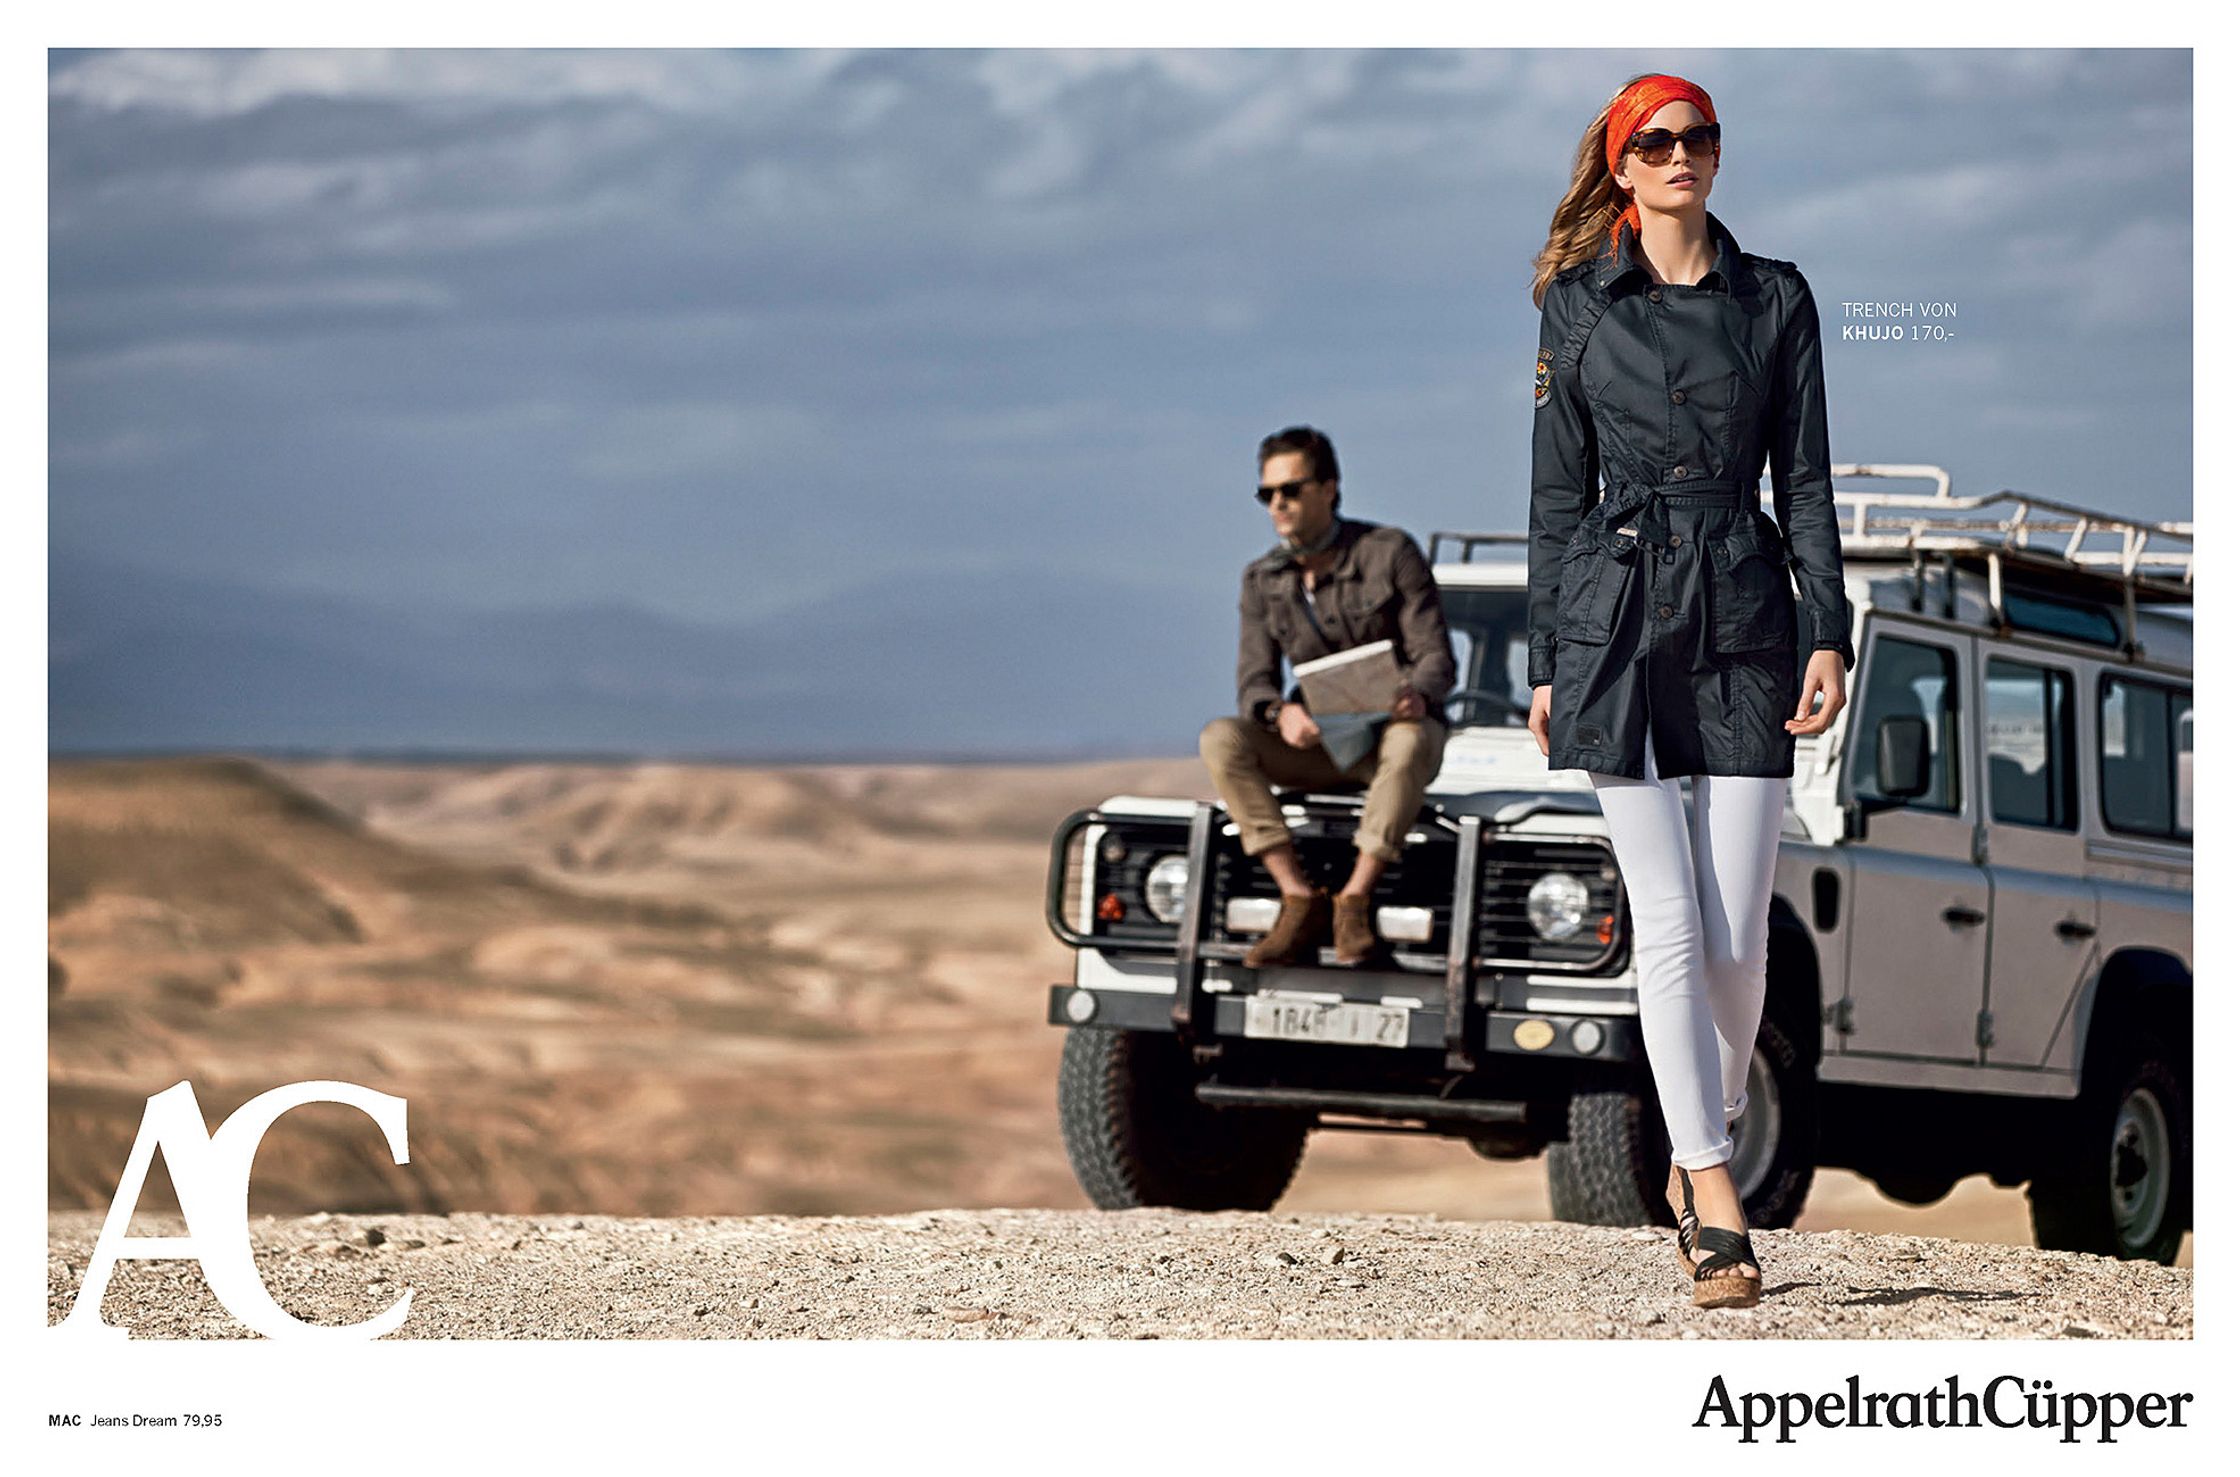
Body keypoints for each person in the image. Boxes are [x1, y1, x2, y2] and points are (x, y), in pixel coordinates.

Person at [1524, 74, 1851, 1310]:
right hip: (1613, 619)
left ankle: (1688, 1135)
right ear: (1620, 165)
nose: (1679, 156)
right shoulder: (1570, 307)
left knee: (1734, 936)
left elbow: (1805, 479)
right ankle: (1713, 1193)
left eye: (1697, 136)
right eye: (1654, 142)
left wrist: (1825, 629)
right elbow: (1556, 494)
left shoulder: (1777, 298)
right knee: (1663, 925)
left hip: (1747, 610)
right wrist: (1556, 654)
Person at [1199, 425, 1457, 968]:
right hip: (1316, 743)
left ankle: (1354, 902)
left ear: (1330, 488)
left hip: (1389, 744)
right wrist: (1279, 712)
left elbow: (1436, 658)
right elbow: (1254, 681)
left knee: (1411, 740)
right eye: (1267, 494)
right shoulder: (1261, 580)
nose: (1278, 505)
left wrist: (1416, 692)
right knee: (1221, 739)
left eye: (1290, 490)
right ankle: (1296, 897)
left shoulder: (1390, 553)